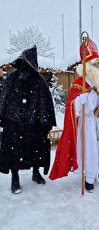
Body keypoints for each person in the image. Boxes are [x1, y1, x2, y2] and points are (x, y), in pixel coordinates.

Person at [49, 38, 99, 193]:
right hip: (87, 121)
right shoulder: (79, 83)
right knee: (89, 150)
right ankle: (89, 178)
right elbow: (70, 108)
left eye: (98, 63)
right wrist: (78, 101)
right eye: (94, 63)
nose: (97, 65)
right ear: (87, 67)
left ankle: (95, 169)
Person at [0, 46, 56, 194]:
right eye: (22, 63)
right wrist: (3, 119)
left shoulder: (39, 80)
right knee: (15, 151)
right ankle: (15, 178)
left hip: (34, 123)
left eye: (27, 63)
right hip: (14, 123)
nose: (25, 66)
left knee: (37, 150)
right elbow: (4, 101)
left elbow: (46, 101)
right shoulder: (12, 79)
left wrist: (46, 121)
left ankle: (36, 172)